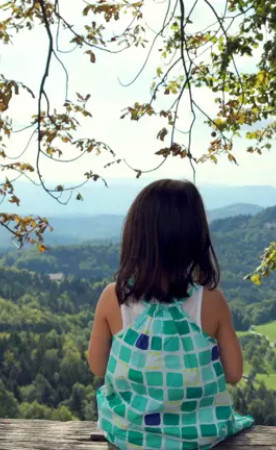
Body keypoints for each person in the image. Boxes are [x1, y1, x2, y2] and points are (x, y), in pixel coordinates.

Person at [88, 179, 253, 449]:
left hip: (128, 437)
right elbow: (234, 374)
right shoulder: (210, 302)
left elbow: (97, 367)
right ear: (195, 239)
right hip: (199, 438)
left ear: (135, 235)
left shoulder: (113, 297)